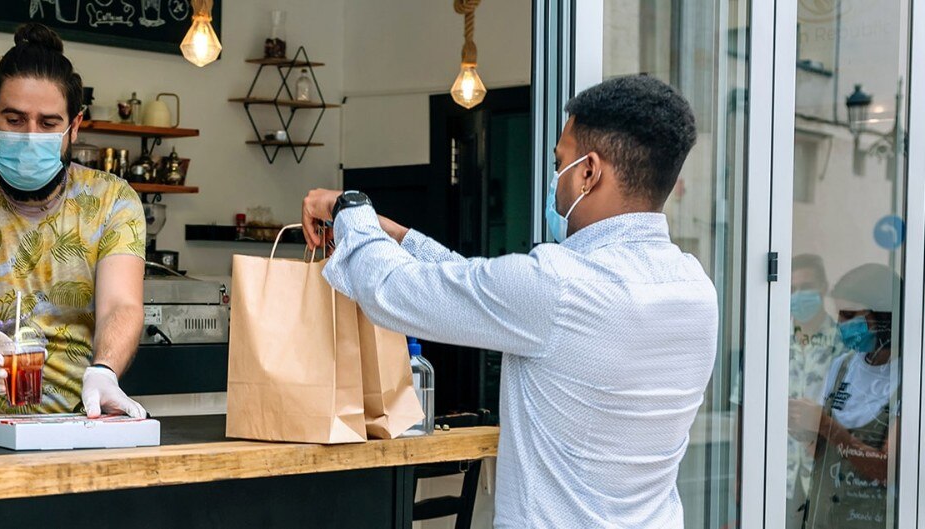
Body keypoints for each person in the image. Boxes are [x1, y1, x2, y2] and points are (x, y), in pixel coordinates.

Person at [302, 75, 715, 527]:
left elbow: (392, 292)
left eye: (561, 162)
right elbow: (480, 290)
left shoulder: (557, 285)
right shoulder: (695, 288)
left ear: (588, 172)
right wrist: (398, 236)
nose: (555, 180)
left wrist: (349, 208)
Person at [0, 23, 147, 419]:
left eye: (48, 124)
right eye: (14, 120)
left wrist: (104, 370)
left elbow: (121, 304)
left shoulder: (113, 201)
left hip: (83, 420)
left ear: (74, 127)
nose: (30, 136)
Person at [789, 263, 901, 529]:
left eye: (851, 315)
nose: (842, 325)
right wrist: (804, 430)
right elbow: (821, 452)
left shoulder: (909, 378)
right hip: (826, 516)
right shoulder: (842, 366)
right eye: (840, 315)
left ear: (884, 318)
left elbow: (887, 470)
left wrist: (826, 425)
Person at [785, 254, 846, 526]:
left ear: (823, 287)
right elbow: (743, 406)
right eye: (792, 290)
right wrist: (741, 475)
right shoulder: (769, 340)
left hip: (825, 473)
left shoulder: (844, 345)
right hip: (776, 471)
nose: (798, 296)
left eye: (806, 287)